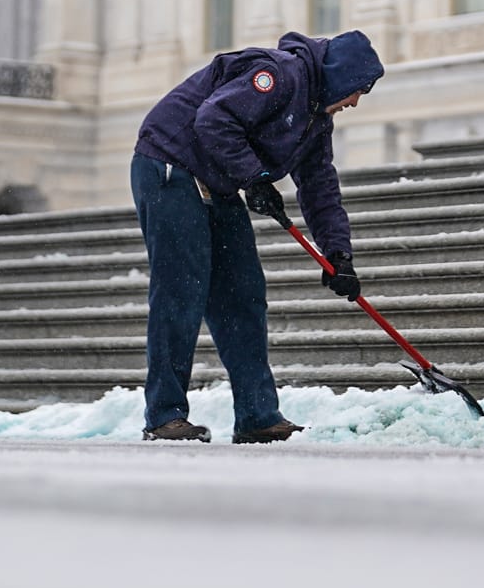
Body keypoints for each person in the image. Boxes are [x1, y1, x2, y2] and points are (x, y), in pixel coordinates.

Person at [131, 27, 385, 442]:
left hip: (221, 179)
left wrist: (339, 254)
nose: (356, 101)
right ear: (340, 76)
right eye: (359, 90)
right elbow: (213, 119)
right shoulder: (279, 76)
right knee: (182, 289)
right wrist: (256, 178)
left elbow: (320, 187)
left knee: (244, 295)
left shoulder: (316, 122)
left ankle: (257, 416)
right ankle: (164, 415)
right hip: (170, 165)